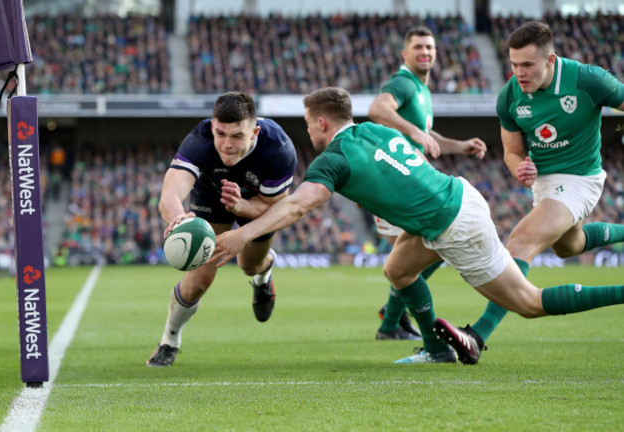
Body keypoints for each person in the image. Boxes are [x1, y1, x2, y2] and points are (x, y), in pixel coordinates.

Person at [209, 87, 624, 365]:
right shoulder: (372, 130)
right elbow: (405, 168)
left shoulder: (332, 159)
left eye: (306, 122)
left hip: (454, 224)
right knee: (397, 269)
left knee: (529, 303)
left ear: (321, 123)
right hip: (456, 196)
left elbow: (298, 205)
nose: (306, 130)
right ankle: (435, 351)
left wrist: (243, 234)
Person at [435, 21, 624, 365]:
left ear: (550, 60)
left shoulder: (588, 79)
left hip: (580, 178)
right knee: (569, 247)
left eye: (527, 65)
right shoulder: (510, 94)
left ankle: (477, 335)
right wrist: (519, 168)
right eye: (513, 64)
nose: (519, 73)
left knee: (520, 242)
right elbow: (511, 151)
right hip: (545, 183)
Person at [146, 92, 298, 367]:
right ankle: (169, 341)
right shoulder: (200, 139)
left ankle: (263, 275)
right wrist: (179, 219)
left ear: (255, 132)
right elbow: (169, 195)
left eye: (237, 136)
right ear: (213, 126)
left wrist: (242, 208)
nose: (227, 145)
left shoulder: (278, 147)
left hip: (258, 206)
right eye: (220, 133)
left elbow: (278, 210)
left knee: (249, 266)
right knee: (197, 284)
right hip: (211, 200)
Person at [367, 26, 487, 341]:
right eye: (418, 46)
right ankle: (392, 320)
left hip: (407, 186)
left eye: (430, 47)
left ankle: (392, 318)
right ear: (405, 53)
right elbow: (377, 109)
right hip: (394, 185)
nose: (425, 52)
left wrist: (459, 146)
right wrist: (415, 133)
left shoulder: (422, 90)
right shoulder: (403, 83)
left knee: (420, 259)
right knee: (416, 260)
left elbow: (426, 135)